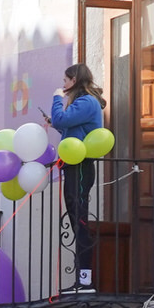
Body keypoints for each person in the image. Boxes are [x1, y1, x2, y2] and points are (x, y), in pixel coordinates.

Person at [49, 62, 105, 277]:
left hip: (80, 165)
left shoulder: (86, 102)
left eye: (65, 80)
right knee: (74, 215)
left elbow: (61, 118)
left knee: (79, 218)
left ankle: (85, 276)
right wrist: (54, 122)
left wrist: (57, 99)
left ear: (74, 80)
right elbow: (68, 126)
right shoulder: (83, 102)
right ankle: (83, 275)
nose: (63, 85)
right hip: (74, 164)